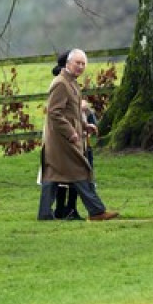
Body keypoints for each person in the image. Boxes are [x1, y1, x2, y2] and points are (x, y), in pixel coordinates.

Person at [38, 49, 119, 221]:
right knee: (81, 169)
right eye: (77, 63)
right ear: (68, 63)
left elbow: (73, 112)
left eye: (83, 64)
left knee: (52, 174)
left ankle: (44, 214)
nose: (81, 67)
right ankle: (97, 211)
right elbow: (54, 113)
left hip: (66, 138)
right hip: (62, 139)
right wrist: (71, 133)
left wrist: (85, 125)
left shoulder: (72, 83)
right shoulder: (61, 83)